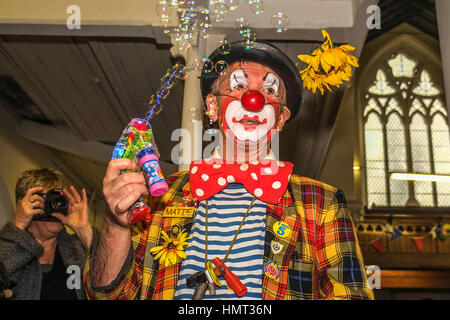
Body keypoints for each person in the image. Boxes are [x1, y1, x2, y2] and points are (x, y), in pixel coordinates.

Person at [84, 41, 374, 300]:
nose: (254, 99)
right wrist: (116, 222)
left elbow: (350, 294)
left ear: (281, 119)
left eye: (269, 90)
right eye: (238, 85)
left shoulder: (321, 202)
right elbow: (105, 294)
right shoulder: (160, 196)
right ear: (212, 106)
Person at [0, 168, 97, 300]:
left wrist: (84, 230)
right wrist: (18, 225)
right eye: (45, 200)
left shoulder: (78, 248)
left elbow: (111, 280)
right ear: (22, 205)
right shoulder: (6, 247)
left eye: (58, 200)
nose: (55, 205)